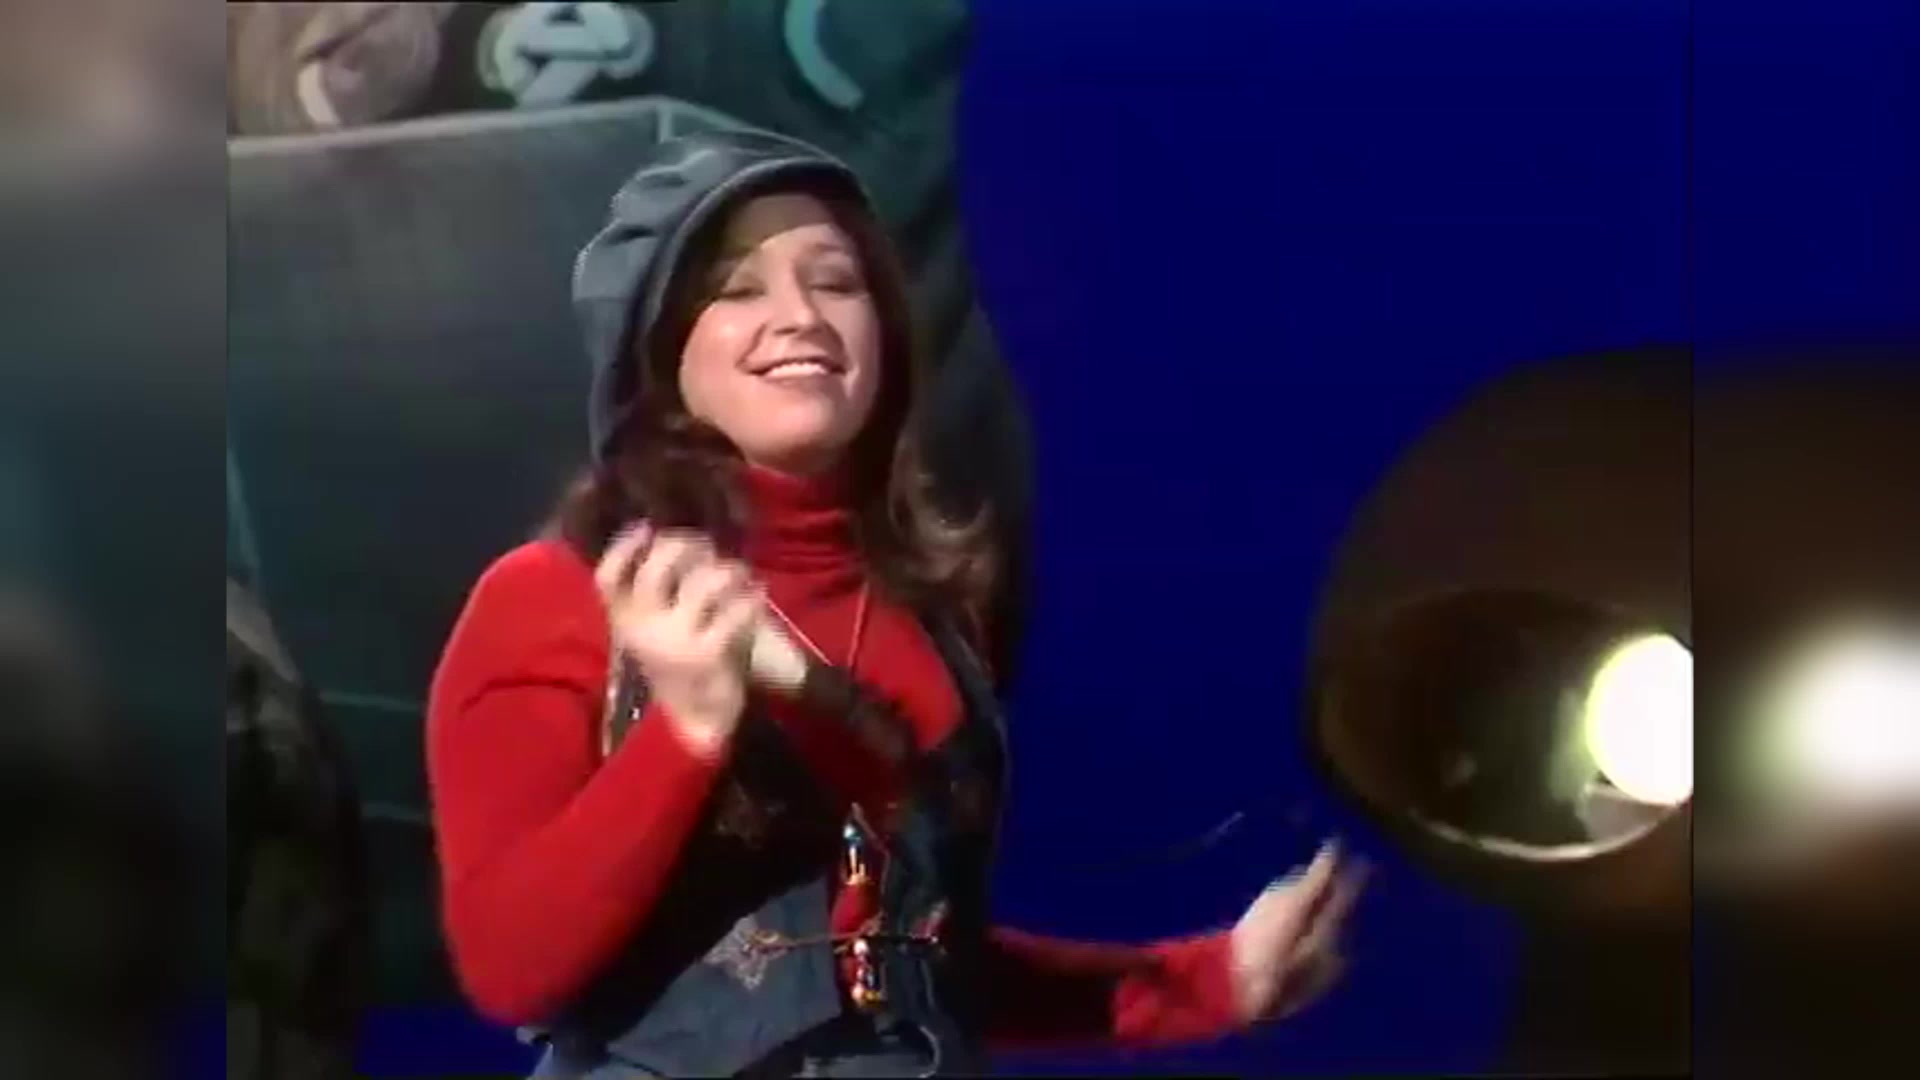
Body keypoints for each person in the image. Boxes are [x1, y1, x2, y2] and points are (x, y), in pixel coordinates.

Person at [427, 128, 1364, 1079]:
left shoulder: (931, 620)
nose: (800, 315)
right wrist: (686, 732)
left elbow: (915, 972)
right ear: (659, 354)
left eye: (836, 281)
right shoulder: (555, 599)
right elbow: (513, 968)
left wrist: (1212, 982)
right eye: (737, 290)